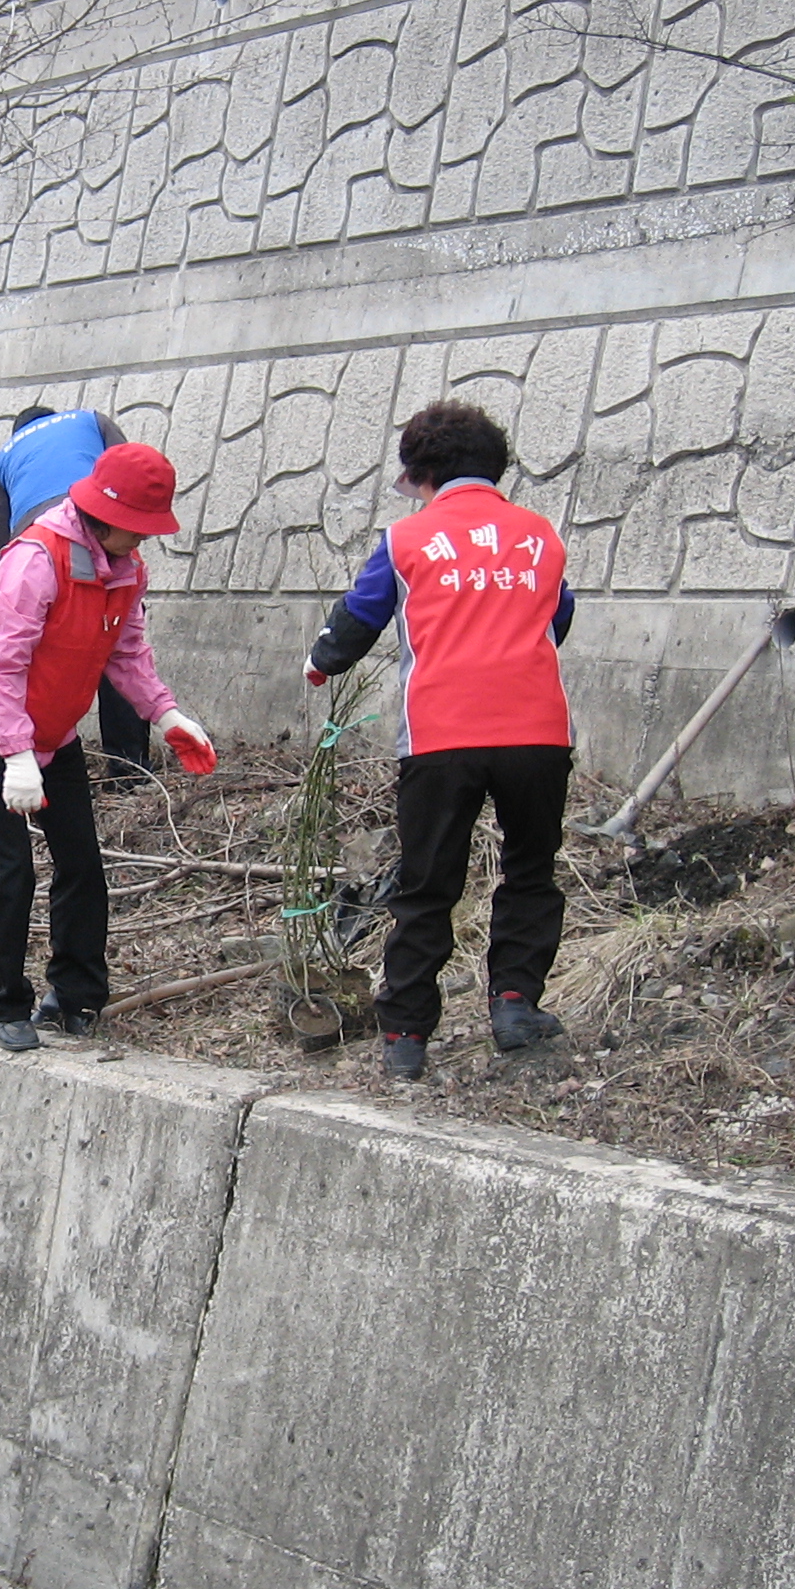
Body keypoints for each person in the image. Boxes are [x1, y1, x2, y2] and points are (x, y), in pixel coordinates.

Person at [305, 400, 577, 1083]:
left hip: (441, 736)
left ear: (422, 473)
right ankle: (515, 1005)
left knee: (426, 885)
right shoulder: (539, 535)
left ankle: (405, 1037)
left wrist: (321, 662)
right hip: (537, 732)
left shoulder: (407, 540)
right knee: (530, 870)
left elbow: (359, 616)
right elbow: (558, 615)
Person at [0, 443, 217, 1052]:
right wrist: (15, 757)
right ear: (103, 515)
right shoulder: (36, 559)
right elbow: (0, 666)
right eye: (137, 527)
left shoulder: (126, 569)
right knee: (10, 873)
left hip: (54, 732)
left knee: (82, 864)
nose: (143, 541)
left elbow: (127, 653)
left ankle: (75, 996)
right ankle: (7, 1003)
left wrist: (166, 714)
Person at [0, 404, 150, 782]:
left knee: (35, 658)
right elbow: (128, 471)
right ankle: (130, 768)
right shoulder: (91, 421)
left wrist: (8, 585)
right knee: (115, 644)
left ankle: (31, 752)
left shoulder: (4, 457)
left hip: (40, 548)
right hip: (102, 528)